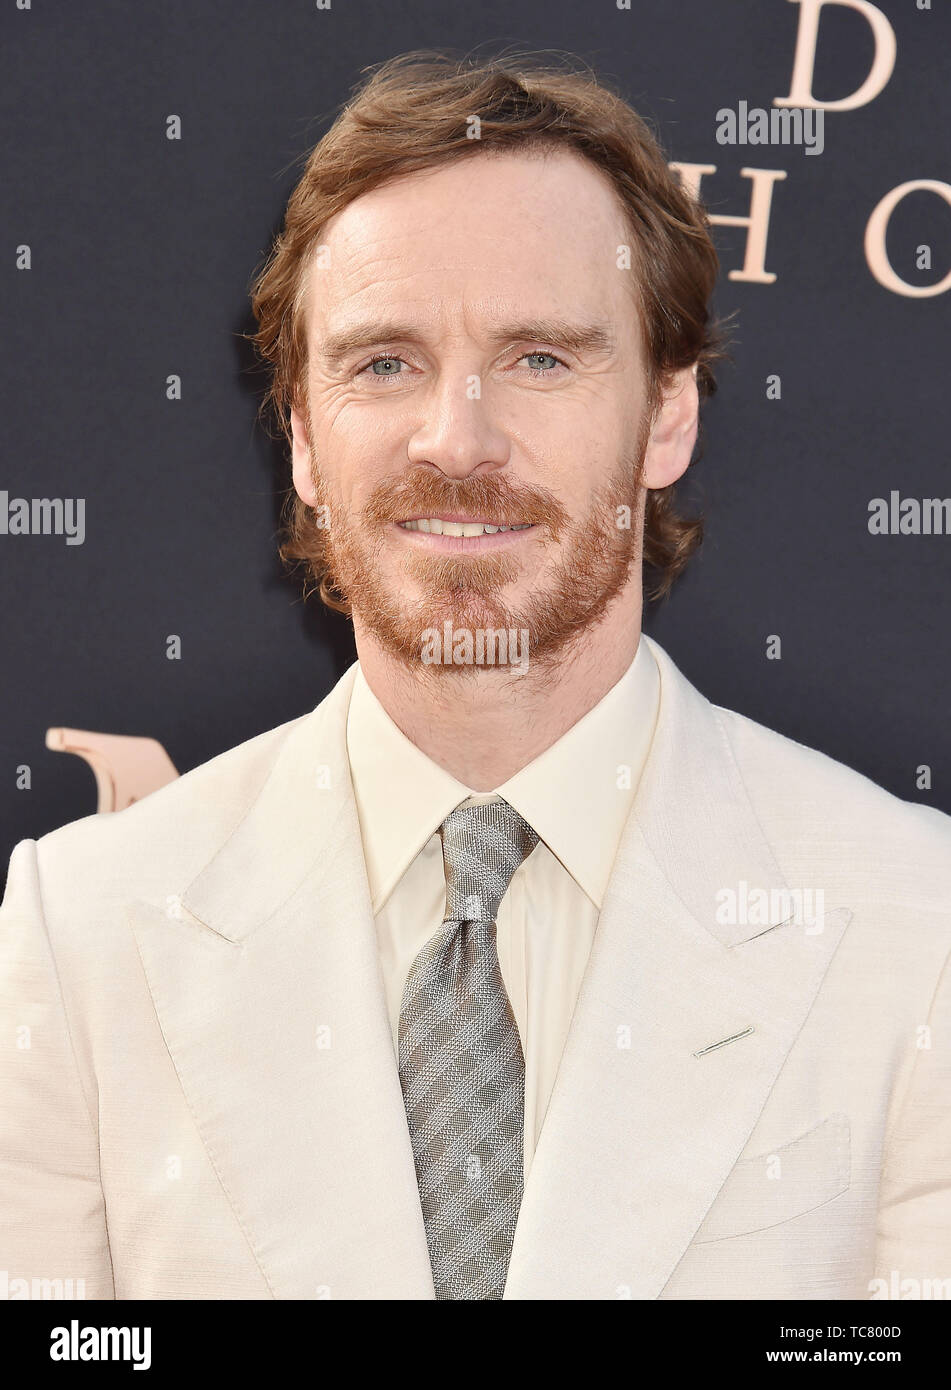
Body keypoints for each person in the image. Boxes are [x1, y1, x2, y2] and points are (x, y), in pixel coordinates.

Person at [1, 50, 949, 1302]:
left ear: (669, 416)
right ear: (300, 432)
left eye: (541, 358)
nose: (457, 438)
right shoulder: (80, 932)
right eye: (383, 362)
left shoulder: (913, 921)